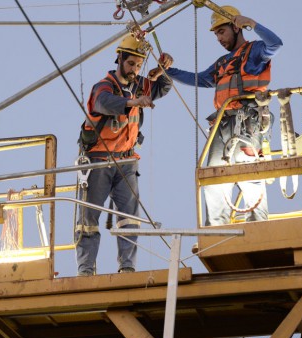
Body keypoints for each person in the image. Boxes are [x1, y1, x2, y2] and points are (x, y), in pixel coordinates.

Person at [165, 6, 282, 226]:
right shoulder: (222, 63)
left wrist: (253, 23)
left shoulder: (253, 52)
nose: (219, 37)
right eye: (216, 33)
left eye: (222, 31)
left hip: (248, 122)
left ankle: (258, 227)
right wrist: (167, 71)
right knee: (213, 178)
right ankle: (215, 230)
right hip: (221, 124)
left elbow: (275, 44)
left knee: (250, 176)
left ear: (236, 27)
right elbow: (198, 79)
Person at [75, 35, 173, 276]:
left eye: (139, 66)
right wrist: (134, 101)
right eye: (131, 64)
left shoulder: (138, 84)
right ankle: (86, 269)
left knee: (129, 219)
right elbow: (104, 103)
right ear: (119, 59)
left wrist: (163, 72)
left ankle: (127, 267)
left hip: (127, 162)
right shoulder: (104, 87)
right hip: (99, 161)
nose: (135, 70)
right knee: (88, 219)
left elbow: (163, 88)